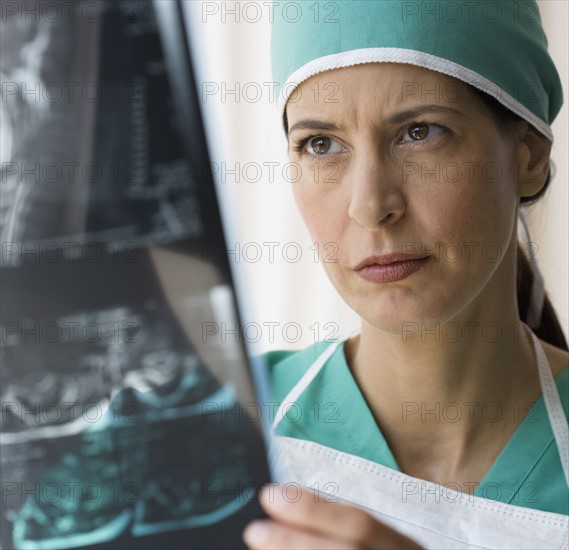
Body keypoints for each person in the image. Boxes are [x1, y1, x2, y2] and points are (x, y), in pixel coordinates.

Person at [241, 1, 569, 549]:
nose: (370, 206)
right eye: (320, 144)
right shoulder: (214, 425)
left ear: (529, 155)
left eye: (420, 132)